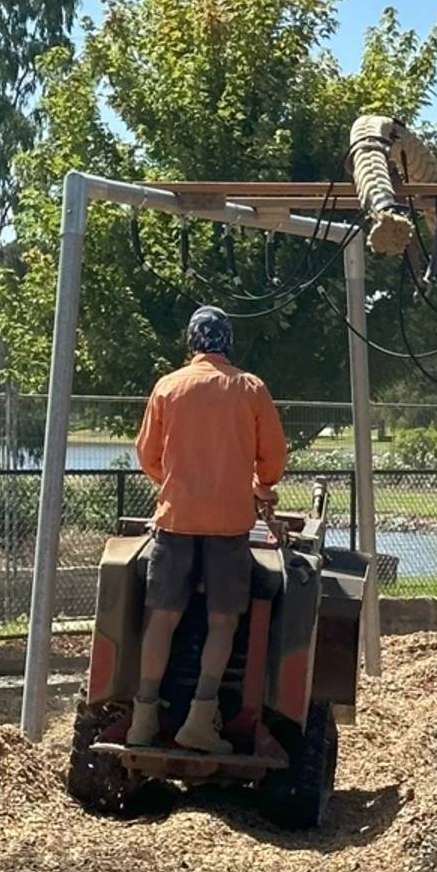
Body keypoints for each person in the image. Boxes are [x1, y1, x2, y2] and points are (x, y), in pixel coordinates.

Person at [127, 306, 287, 751]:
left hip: (175, 522)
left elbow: (148, 456)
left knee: (161, 619)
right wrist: (256, 484)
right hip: (229, 528)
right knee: (222, 622)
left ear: (191, 343)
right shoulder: (250, 388)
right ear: (227, 342)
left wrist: (176, 483)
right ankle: (201, 717)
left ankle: (142, 719)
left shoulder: (168, 387)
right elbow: (272, 460)